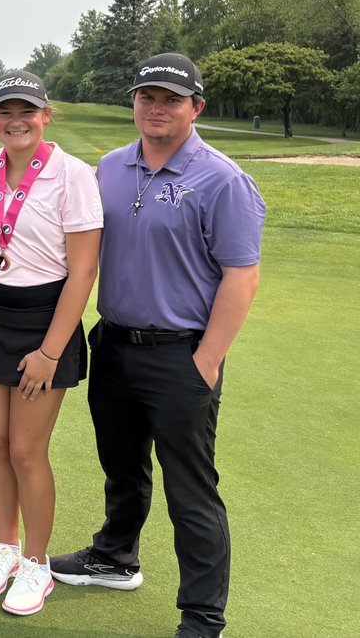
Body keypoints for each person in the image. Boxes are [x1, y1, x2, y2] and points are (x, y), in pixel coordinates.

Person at [50, 54, 265, 638]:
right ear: (134, 103)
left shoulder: (223, 180)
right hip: (115, 344)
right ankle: (117, 556)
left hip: (181, 353)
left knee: (190, 488)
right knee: (121, 467)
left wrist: (206, 362)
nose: (157, 107)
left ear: (196, 106)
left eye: (172, 98)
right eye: (147, 96)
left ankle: (202, 616)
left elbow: (241, 276)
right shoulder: (111, 168)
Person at [0, 71, 102, 616]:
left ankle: (37, 564)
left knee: (26, 449)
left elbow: (83, 270)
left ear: (46, 115)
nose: (15, 121)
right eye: (4, 111)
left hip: (46, 321)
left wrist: (49, 353)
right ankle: (6, 547)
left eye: (27, 110)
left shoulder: (73, 175)